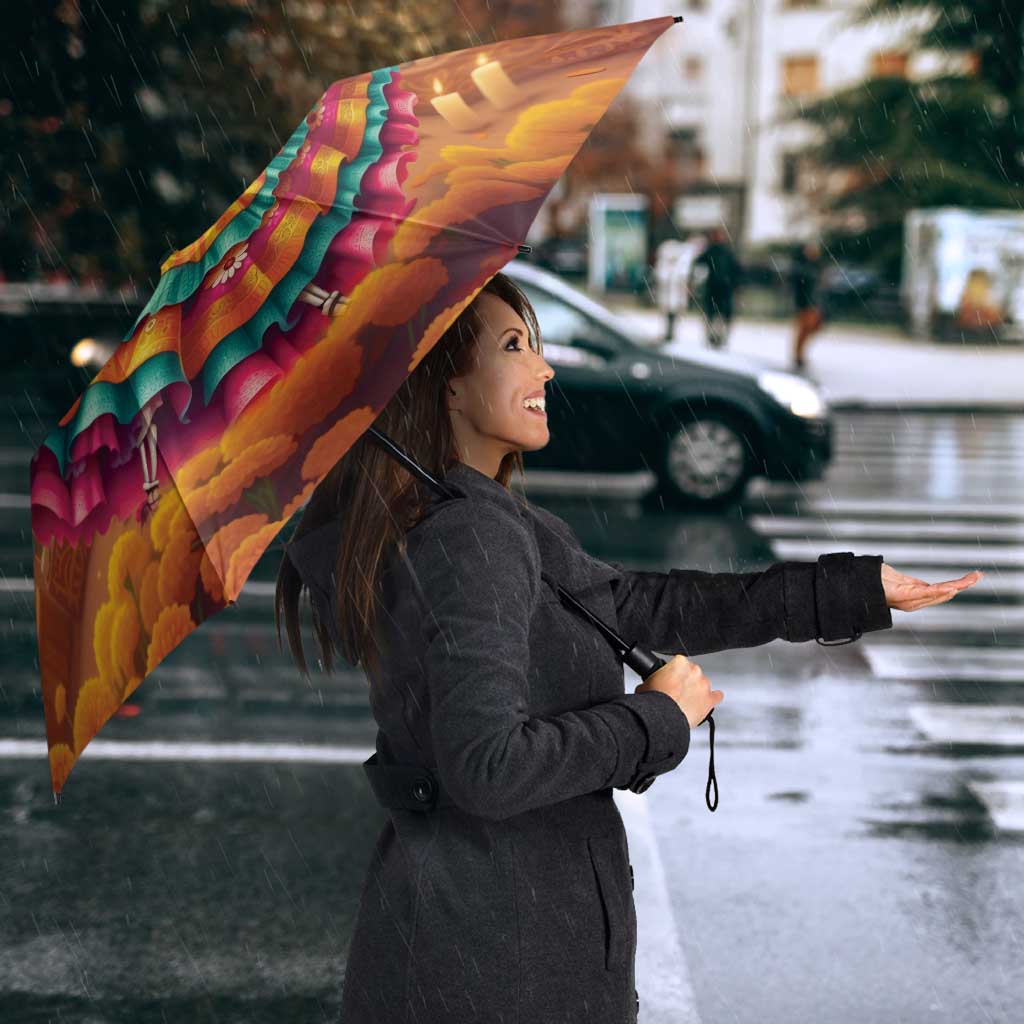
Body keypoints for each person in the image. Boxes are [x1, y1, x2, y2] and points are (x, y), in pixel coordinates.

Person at [276, 271, 980, 1024]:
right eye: (515, 346)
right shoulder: (469, 537)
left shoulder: (480, 519)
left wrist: (850, 591)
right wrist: (655, 719)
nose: (544, 368)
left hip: (482, 943)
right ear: (446, 385)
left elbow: (643, 605)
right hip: (496, 963)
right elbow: (487, 767)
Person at [692, 226, 742, 349]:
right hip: (715, 288)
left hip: (723, 288)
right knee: (713, 314)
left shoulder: (725, 252)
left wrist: (735, 284)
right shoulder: (712, 251)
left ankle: (719, 337)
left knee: (720, 315)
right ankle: (713, 337)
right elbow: (698, 264)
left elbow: (736, 270)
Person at [790, 239, 826, 370]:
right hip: (805, 303)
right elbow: (799, 286)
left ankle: (799, 354)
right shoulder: (802, 267)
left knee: (812, 328)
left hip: (814, 303)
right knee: (804, 329)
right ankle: (798, 355)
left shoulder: (817, 266)